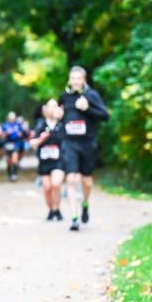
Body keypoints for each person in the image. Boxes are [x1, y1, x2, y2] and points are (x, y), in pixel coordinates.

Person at [58, 66, 110, 231]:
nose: (75, 82)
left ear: (83, 80)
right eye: (73, 79)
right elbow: (60, 117)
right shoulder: (64, 97)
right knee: (71, 179)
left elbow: (105, 116)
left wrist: (87, 108)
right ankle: (74, 218)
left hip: (87, 143)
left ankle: (85, 204)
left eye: (78, 79)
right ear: (69, 80)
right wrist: (58, 116)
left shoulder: (91, 95)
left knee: (86, 181)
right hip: (69, 143)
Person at [29, 99, 66, 220]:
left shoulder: (63, 124)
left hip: (59, 160)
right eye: (50, 107)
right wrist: (41, 139)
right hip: (44, 161)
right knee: (47, 188)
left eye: (55, 107)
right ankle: (51, 210)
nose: (53, 109)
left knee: (56, 184)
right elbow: (32, 143)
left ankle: (57, 209)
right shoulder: (40, 124)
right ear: (45, 109)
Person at [1, 111, 26, 181]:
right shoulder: (5, 125)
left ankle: (14, 174)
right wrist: (6, 133)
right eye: (10, 118)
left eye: (13, 118)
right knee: (9, 161)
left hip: (16, 143)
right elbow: (2, 135)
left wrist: (19, 134)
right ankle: (10, 174)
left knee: (14, 159)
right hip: (8, 144)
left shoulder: (18, 125)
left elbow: (22, 133)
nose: (11, 119)